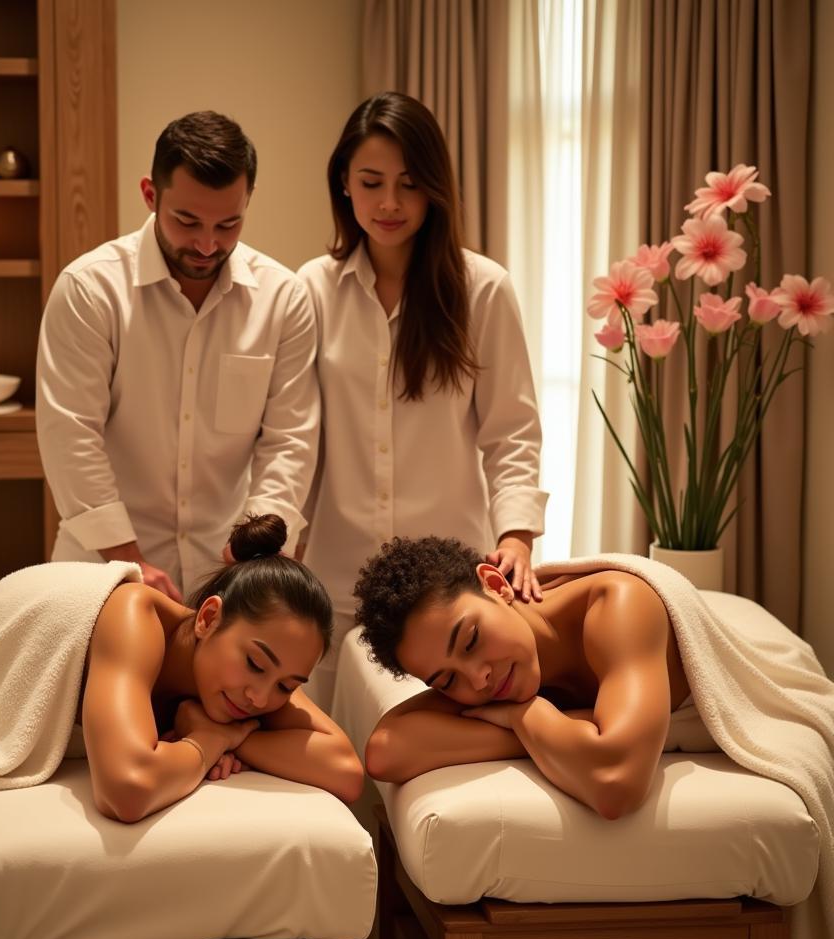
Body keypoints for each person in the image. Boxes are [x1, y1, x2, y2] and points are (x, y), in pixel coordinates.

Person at [296, 92, 548, 712]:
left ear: (434, 188)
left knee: (434, 763)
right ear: (343, 186)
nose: (389, 204)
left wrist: (517, 539)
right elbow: (293, 438)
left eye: (409, 185)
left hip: (449, 598)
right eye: (371, 182)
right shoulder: (310, 290)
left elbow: (511, 430)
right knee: (339, 777)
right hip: (337, 581)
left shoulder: (482, 289)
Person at [38, 111, 320, 603]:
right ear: (150, 195)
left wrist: (255, 546)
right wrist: (130, 561)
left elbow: (290, 440)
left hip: (229, 575)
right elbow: (71, 436)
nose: (208, 244)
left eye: (228, 224)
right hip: (99, 570)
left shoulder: (283, 298)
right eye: (187, 221)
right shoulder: (90, 289)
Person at [354, 535, 691, 820]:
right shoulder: (492, 675)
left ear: (497, 586)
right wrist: (538, 729)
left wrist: (529, 716)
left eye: (471, 640)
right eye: (446, 681)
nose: (478, 679)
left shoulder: (618, 603)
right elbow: (385, 751)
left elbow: (616, 785)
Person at [84, 513, 364, 822]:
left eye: (287, 686)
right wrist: (208, 741)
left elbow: (345, 771)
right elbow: (127, 791)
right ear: (207, 618)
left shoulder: (256, 681)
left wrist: (235, 737)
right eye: (255, 664)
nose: (259, 698)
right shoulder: (134, 611)